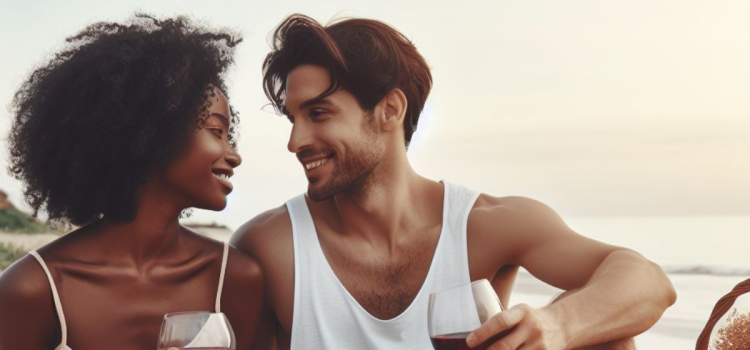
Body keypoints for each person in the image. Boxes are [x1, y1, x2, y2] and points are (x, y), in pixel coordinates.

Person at [232, 14, 676, 350]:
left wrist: (557, 326)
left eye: (319, 114)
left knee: (605, 336)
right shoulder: (269, 247)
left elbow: (648, 281)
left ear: (389, 110)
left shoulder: (485, 225)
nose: (295, 141)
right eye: (293, 118)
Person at [0, 14, 266, 350]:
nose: (233, 155)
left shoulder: (236, 279)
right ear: (155, 135)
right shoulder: (33, 288)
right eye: (215, 131)